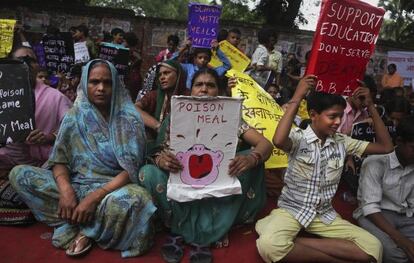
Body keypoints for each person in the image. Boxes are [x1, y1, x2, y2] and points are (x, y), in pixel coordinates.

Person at [9, 59, 156, 257]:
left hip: (113, 190)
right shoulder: (74, 116)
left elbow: (130, 170)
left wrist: (93, 199)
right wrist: (66, 191)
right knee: (20, 175)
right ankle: (84, 219)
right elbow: (59, 160)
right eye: (94, 82)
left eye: (107, 82)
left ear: (116, 85)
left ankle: (84, 229)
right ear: (85, 84)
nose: (101, 88)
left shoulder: (129, 119)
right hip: (76, 184)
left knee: (139, 200)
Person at [138, 68, 273, 263]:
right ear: (190, 90)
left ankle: (204, 232)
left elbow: (265, 144)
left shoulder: (231, 119)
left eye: (210, 85)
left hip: (216, 181)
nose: (204, 89)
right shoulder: (174, 118)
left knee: (254, 163)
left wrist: (251, 159)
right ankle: (188, 230)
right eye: (199, 85)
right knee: (147, 173)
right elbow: (157, 150)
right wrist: (162, 160)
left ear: (218, 92)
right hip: (180, 179)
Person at [256, 75, 394, 263]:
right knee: (269, 246)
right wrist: (297, 96)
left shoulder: (343, 142)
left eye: (340, 116)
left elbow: (386, 147)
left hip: (324, 215)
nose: (338, 122)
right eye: (332, 116)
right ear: (313, 115)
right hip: (292, 210)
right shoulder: (298, 138)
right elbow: (279, 140)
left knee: (373, 248)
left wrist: (370, 106)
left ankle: (297, 243)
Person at [0, 46, 72, 225]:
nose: (25, 64)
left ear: (37, 66)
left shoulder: (56, 97)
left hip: (45, 166)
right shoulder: (3, 94)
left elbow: (72, 131)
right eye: (20, 60)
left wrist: (49, 137)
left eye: (30, 60)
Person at [354, 116, 414, 263]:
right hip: (376, 214)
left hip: (405, 214)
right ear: (399, 142)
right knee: (393, 254)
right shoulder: (375, 162)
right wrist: (400, 239)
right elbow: (370, 207)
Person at [135, 60, 188, 140]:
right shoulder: (154, 95)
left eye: (166, 73)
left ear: (178, 74)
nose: (162, 77)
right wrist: (158, 126)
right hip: (157, 142)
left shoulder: (189, 96)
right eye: (159, 75)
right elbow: (133, 108)